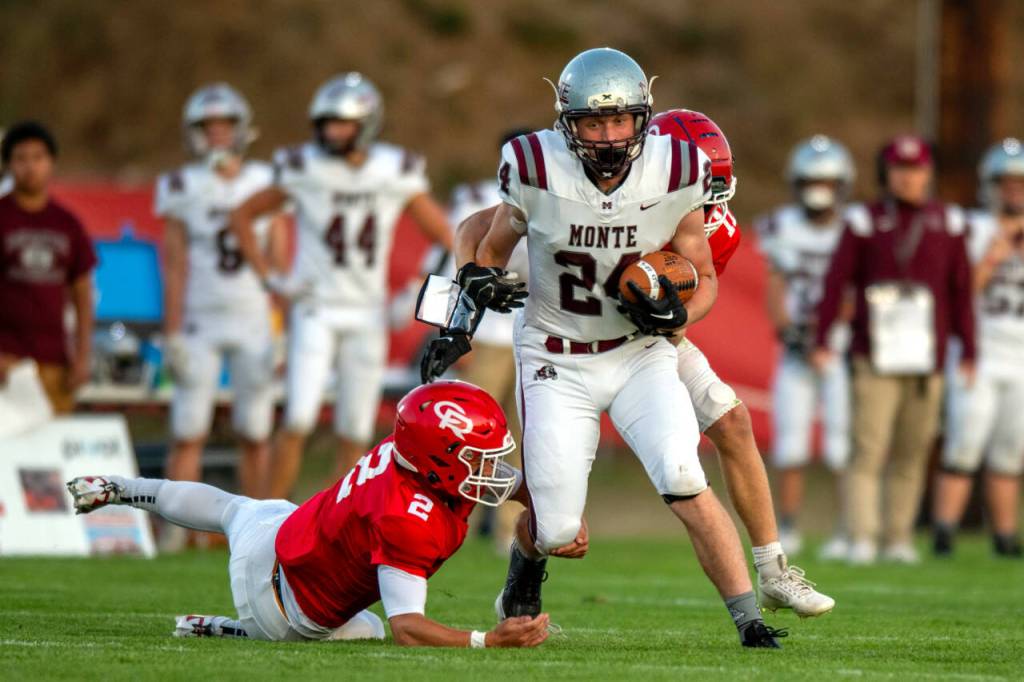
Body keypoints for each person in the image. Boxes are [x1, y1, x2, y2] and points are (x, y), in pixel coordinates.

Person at [425, 48, 787, 647]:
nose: (610, 135)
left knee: (683, 473)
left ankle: (749, 620)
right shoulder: (536, 166)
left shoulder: (675, 169)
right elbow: (481, 246)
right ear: (568, 122)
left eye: (620, 120)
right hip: (556, 356)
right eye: (594, 123)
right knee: (559, 525)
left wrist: (680, 313)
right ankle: (527, 563)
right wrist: (457, 321)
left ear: (643, 116)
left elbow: (705, 276)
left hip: (637, 350)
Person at [67, 381, 579, 646]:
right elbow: (408, 628)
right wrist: (485, 641)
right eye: (479, 457)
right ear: (441, 460)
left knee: (233, 508)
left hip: (284, 536)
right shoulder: (410, 516)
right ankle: (237, 628)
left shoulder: (415, 456)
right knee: (377, 629)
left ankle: (120, 487)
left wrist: (558, 516)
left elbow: (502, 483)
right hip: (281, 608)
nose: (493, 468)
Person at [231, 73, 453, 498]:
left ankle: (337, 531)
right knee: (297, 418)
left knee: (354, 427)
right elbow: (243, 215)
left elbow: (448, 238)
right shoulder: (306, 167)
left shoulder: (394, 169)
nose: (331, 132)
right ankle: (265, 517)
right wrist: (269, 278)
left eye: (342, 123)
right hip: (316, 307)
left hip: (367, 312)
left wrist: (418, 294)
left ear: (366, 124)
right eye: (326, 123)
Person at [812, 135, 975, 565]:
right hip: (875, 353)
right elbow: (836, 281)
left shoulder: (951, 221)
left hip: (928, 357)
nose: (909, 177)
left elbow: (961, 290)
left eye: (917, 168)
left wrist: (970, 349)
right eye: (900, 169)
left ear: (929, 172)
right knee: (868, 446)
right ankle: (863, 535)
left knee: (913, 450)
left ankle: (898, 536)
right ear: (886, 173)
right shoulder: (864, 220)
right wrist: (823, 337)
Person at [157, 83, 288, 506]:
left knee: (256, 429)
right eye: (207, 126)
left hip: (253, 316)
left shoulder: (266, 180)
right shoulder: (182, 184)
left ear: (241, 128)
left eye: (224, 124)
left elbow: (280, 260)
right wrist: (172, 331)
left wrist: (283, 322)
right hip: (200, 317)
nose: (216, 133)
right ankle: (178, 530)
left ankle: (264, 525)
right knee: (188, 428)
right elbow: (174, 265)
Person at [755, 135, 855, 559]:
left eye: (827, 182)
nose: (820, 190)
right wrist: (792, 333)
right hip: (796, 346)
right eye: (812, 181)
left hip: (838, 346)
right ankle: (789, 527)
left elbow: (854, 288)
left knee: (841, 444)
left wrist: (830, 333)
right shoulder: (782, 226)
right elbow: (775, 284)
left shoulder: (854, 228)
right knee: (791, 443)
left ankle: (850, 528)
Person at [933, 138, 1024, 558]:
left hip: (1019, 355)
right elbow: (959, 291)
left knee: (1011, 450)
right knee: (964, 443)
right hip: (978, 353)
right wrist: (994, 256)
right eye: (1005, 183)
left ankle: (1005, 538)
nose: (1013, 190)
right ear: (990, 186)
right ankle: (944, 533)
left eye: (1019, 182)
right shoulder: (970, 227)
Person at [0, 121, 95, 414]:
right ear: (9, 165)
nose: (30, 167)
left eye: (38, 158)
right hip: (6, 359)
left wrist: (82, 355)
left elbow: (82, 292)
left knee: (53, 453)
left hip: (55, 362)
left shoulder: (66, 223)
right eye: (22, 158)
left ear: (51, 163)